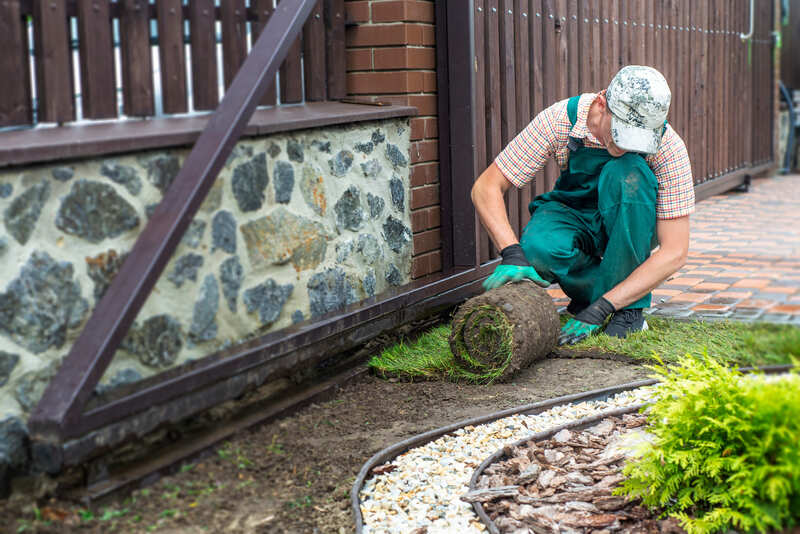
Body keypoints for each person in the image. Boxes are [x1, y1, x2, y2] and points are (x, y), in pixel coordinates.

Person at [471, 65, 694, 345]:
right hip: (575, 214)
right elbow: (486, 186)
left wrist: (604, 308)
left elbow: (675, 251)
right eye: (620, 134)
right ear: (602, 103)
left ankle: (627, 311)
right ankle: (595, 297)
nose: (625, 147)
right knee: (539, 248)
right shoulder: (560, 120)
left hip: (630, 220)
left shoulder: (668, 146)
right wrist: (513, 253)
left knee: (627, 173)